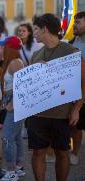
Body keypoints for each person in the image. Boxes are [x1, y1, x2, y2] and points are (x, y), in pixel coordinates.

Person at [28, 13, 85, 181]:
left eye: (36, 30)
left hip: (62, 115)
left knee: (62, 152)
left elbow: (83, 83)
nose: (34, 33)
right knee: (38, 152)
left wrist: (76, 109)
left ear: (45, 29)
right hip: (37, 114)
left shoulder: (71, 51)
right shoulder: (35, 56)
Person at [0, 36, 25, 181]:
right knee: (16, 136)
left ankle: (11, 171)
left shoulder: (15, 63)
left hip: (14, 104)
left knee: (7, 137)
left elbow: (23, 87)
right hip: (11, 102)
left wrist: (12, 103)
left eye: (3, 46)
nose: (1, 48)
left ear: (10, 48)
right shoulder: (12, 62)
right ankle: (18, 167)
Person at [70, 11, 85, 165]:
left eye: (78, 22)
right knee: (76, 125)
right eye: (74, 21)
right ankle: (74, 153)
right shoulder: (72, 42)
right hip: (77, 92)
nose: (74, 25)